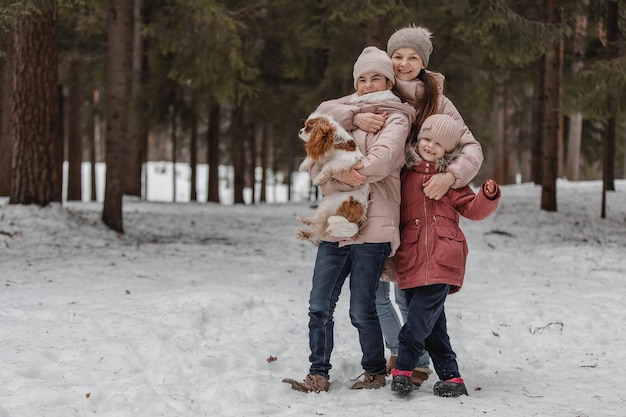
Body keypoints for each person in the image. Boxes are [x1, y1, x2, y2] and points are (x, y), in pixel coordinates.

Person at [283, 46, 415, 393]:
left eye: (376, 78)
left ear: (388, 80)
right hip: (335, 226)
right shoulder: (340, 114)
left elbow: (382, 161)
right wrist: (353, 120)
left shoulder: (397, 117)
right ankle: (318, 374)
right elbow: (315, 162)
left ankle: (373, 371)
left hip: (374, 227)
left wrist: (338, 174)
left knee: (362, 308)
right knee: (318, 305)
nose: (369, 85)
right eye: (362, 79)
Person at [389, 113, 501, 398]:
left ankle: (403, 368)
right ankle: (451, 376)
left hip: (443, 258)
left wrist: (486, 197)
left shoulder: (452, 182)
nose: (429, 146)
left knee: (418, 319)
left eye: (438, 144)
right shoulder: (404, 176)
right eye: (426, 139)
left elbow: (472, 210)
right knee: (433, 324)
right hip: (411, 258)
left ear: (448, 151)